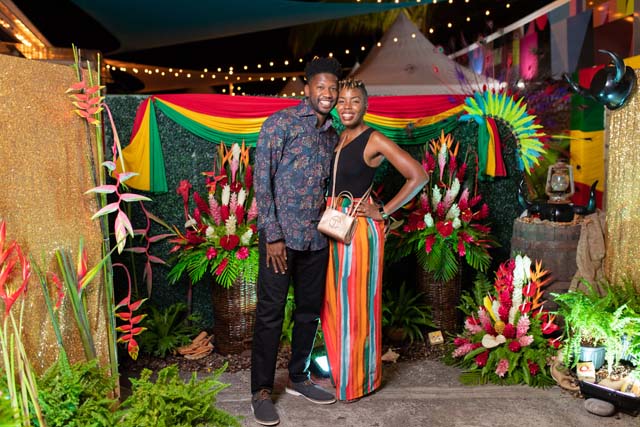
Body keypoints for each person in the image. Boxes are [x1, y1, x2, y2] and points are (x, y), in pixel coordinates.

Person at [320, 79, 428, 402]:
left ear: (366, 106)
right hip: (331, 226)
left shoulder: (374, 139)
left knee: (356, 307)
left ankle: (358, 383)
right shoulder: (336, 137)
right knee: (332, 305)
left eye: (355, 101)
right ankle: (343, 374)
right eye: (342, 101)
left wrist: (383, 210)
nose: (347, 107)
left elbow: (418, 175)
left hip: (358, 230)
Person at [251, 57, 342, 426]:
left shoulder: (333, 135)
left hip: (316, 240)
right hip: (281, 240)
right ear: (307, 89)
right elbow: (262, 180)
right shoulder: (280, 123)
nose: (327, 93)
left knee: (308, 312)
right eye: (321, 86)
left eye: (333, 87)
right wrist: (273, 235)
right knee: (270, 314)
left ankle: (299, 377)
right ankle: (261, 391)